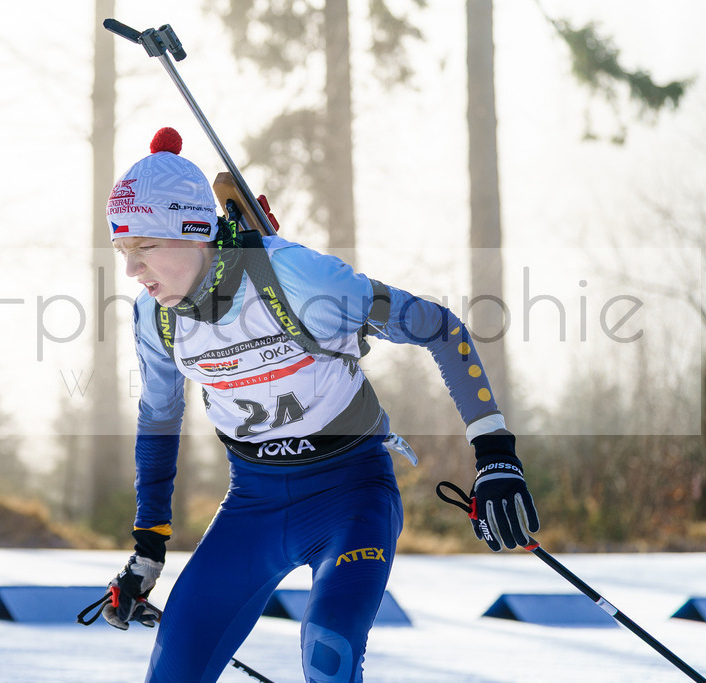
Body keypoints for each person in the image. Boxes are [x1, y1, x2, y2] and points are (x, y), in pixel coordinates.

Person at [100, 127, 540, 683]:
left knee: (328, 650)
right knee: (174, 668)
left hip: (350, 495)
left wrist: (496, 456)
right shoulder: (153, 317)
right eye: (121, 251)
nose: (132, 271)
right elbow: (159, 421)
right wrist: (148, 548)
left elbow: (442, 330)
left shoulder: (297, 278)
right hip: (253, 505)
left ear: (194, 230)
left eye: (144, 247)